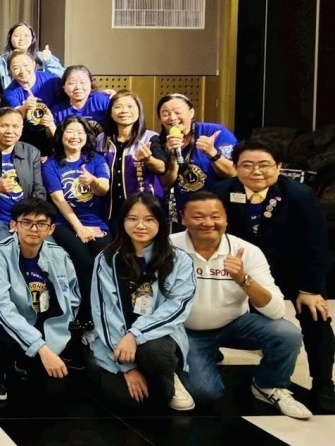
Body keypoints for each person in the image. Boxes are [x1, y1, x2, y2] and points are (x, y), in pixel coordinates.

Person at [212, 141, 334, 412]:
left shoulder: (300, 196)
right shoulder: (221, 192)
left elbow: (316, 245)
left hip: (292, 270)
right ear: (235, 167)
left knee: (315, 314)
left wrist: (310, 289)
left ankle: (323, 382)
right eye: (247, 165)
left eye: (264, 165)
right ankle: (210, 349)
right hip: (241, 269)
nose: (256, 171)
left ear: (279, 167)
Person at [171, 192, 311, 418]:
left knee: (287, 333)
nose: (208, 223)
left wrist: (243, 279)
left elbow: (276, 310)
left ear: (226, 219)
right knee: (204, 393)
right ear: (183, 218)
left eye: (215, 216)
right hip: (189, 332)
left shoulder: (247, 251)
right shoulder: (168, 247)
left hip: (236, 325)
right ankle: (186, 362)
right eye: (198, 217)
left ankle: (269, 384)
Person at [89, 193, 196, 412]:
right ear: (122, 222)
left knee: (155, 363)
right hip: (116, 340)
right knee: (126, 401)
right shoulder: (107, 259)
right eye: (132, 218)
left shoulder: (179, 259)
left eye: (149, 219)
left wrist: (135, 334)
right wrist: (127, 367)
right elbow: (103, 311)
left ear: (161, 223)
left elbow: (178, 306)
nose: (140, 226)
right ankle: (138, 373)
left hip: (158, 338)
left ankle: (169, 376)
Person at [0, 198, 80, 403]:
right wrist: (40, 347)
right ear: (13, 225)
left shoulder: (60, 255)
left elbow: (73, 297)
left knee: (55, 394)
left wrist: (57, 333)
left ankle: (26, 361)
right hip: (7, 324)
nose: (34, 229)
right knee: (0, 336)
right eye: (26, 222)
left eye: (41, 224)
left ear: (51, 229)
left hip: (43, 323)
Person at [43, 115, 111, 325]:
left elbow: (104, 189)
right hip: (65, 223)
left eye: (80, 132)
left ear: (87, 136)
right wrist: (79, 228)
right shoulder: (51, 164)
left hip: (96, 221)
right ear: (61, 135)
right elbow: (59, 200)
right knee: (84, 262)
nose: (75, 136)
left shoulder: (96, 160)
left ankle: (108, 312)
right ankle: (85, 318)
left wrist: (92, 182)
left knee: (105, 258)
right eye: (70, 132)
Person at [0, 108, 46, 250]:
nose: (10, 131)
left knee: (50, 253)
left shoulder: (32, 152)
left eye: (15, 126)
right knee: (8, 252)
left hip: (28, 218)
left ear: (22, 129)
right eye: (4, 126)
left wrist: (25, 219)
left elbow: (39, 190)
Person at [156, 93, 237, 222]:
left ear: (191, 112)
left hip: (217, 208)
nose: (172, 117)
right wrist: (172, 156)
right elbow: (166, 184)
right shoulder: (159, 142)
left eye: (177, 112)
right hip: (184, 212)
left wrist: (212, 153)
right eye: (165, 114)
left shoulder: (214, 132)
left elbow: (234, 173)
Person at [97, 91, 166, 229]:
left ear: (139, 111)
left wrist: (148, 159)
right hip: (109, 210)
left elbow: (161, 167)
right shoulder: (101, 139)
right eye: (118, 106)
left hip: (143, 208)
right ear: (111, 113)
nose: (124, 111)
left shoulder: (150, 137)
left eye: (130, 106)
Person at [2, 51, 62, 156]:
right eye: (16, 68)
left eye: (26, 65)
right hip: (28, 138)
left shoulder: (52, 80)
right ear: (10, 71)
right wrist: (24, 107)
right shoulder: (9, 92)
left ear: (34, 64)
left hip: (55, 132)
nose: (22, 71)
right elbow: (15, 117)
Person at [0, 22, 65, 89]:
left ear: (32, 38)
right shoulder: (2, 61)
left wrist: (49, 61)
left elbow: (63, 77)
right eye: (17, 35)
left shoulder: (42, 56)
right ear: (10, 38)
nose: (22, 39)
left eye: (26, 35)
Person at [50, 66, 111, 130]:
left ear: (90, 83)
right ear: (63, 86)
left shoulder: (102, 101)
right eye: (72, 83)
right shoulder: (57, 111)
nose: (78, 87)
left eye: (83, 82)